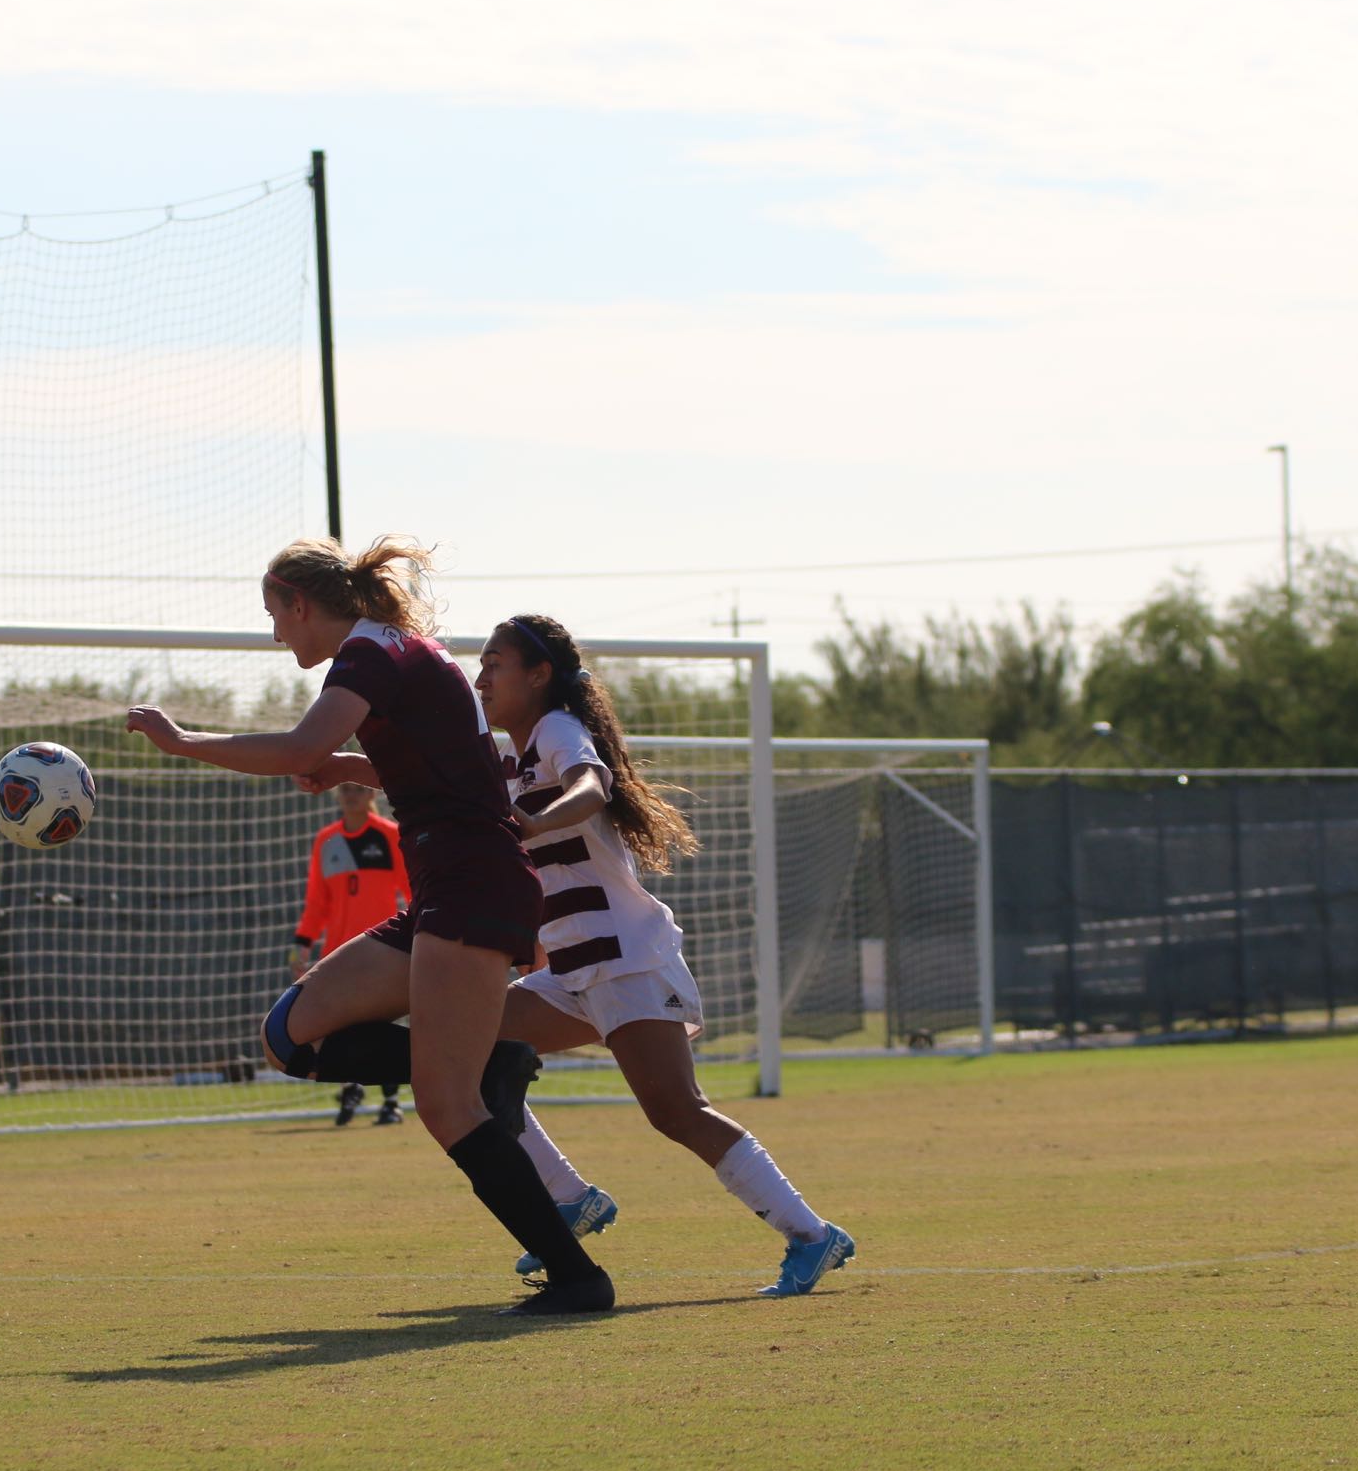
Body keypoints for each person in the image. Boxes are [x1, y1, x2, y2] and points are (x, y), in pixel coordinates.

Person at [126, 537, 614, 1315]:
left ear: (300, 604)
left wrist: (183, 742)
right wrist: (353, 768)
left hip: (470, 882)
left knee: (445, 1105)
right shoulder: (395, 651)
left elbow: (298, 746)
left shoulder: (369, 655)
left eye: (275, 617)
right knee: (292, 1033)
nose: (276, 635)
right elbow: (441, 767)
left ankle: (577, 1277)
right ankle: (498, 1067)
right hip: (446, 888)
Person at [474, 612, 854, 1298]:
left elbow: (592, 786)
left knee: (675, 1110)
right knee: (468, 1053)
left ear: (538, 676)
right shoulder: (511, 758)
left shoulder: (558, 730)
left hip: (624, 959)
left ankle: (810, 1234)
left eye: (495, 662)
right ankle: (568, 1197)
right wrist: (346, 762)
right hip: (570, 967)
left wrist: (541, 816)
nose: (481, 676)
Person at [291, 782, 409, 1125]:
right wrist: (302, 943)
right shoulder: (327, 840)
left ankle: (391, 1101)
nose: (351, 795)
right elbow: (317, 902)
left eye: (358, 788)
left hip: (382, 948)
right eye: (345, 789)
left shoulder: (389, 834)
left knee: (383, 1023)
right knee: (339, 1026)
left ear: (372, 794)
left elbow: (412, 890)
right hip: (337, 952)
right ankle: (352, 1086)